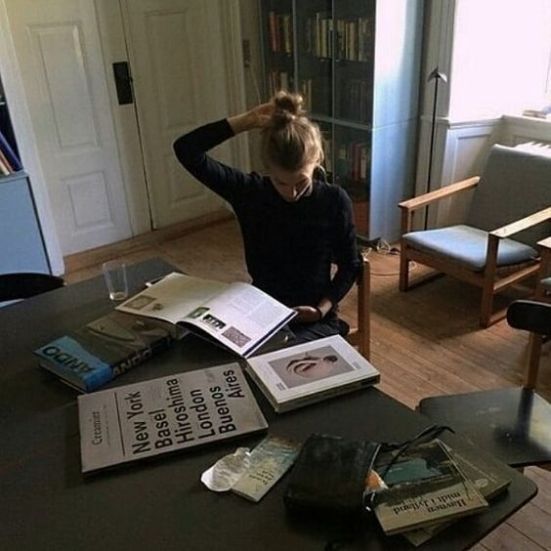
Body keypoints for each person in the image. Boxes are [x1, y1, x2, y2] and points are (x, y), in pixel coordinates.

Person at [173, 91, 361, 343]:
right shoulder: (249, 192)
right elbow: (186, 149)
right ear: (268, 168)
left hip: (314, 318)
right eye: (281, 182)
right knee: (194, 344)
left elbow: (351, 264)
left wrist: (321, 309)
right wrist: (246, 121)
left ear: (317, 160)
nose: (292, 193)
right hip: (259, 311)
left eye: (301, 182)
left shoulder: (334, 200)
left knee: (276, 361)